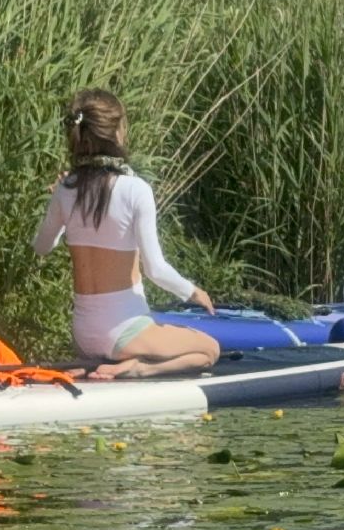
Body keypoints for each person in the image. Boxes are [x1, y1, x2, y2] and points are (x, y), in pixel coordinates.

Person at [32, 89, 220, 378]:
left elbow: (42, 247)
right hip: (123, 332)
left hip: (83, 334)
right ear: (117, 134)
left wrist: (57, 204)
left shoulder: (65, 189)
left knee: (173, 339)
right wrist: (194, 291)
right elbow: (155, 269)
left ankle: (102, 362)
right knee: (209, 350)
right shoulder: (136, 190)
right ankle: (137, 369)